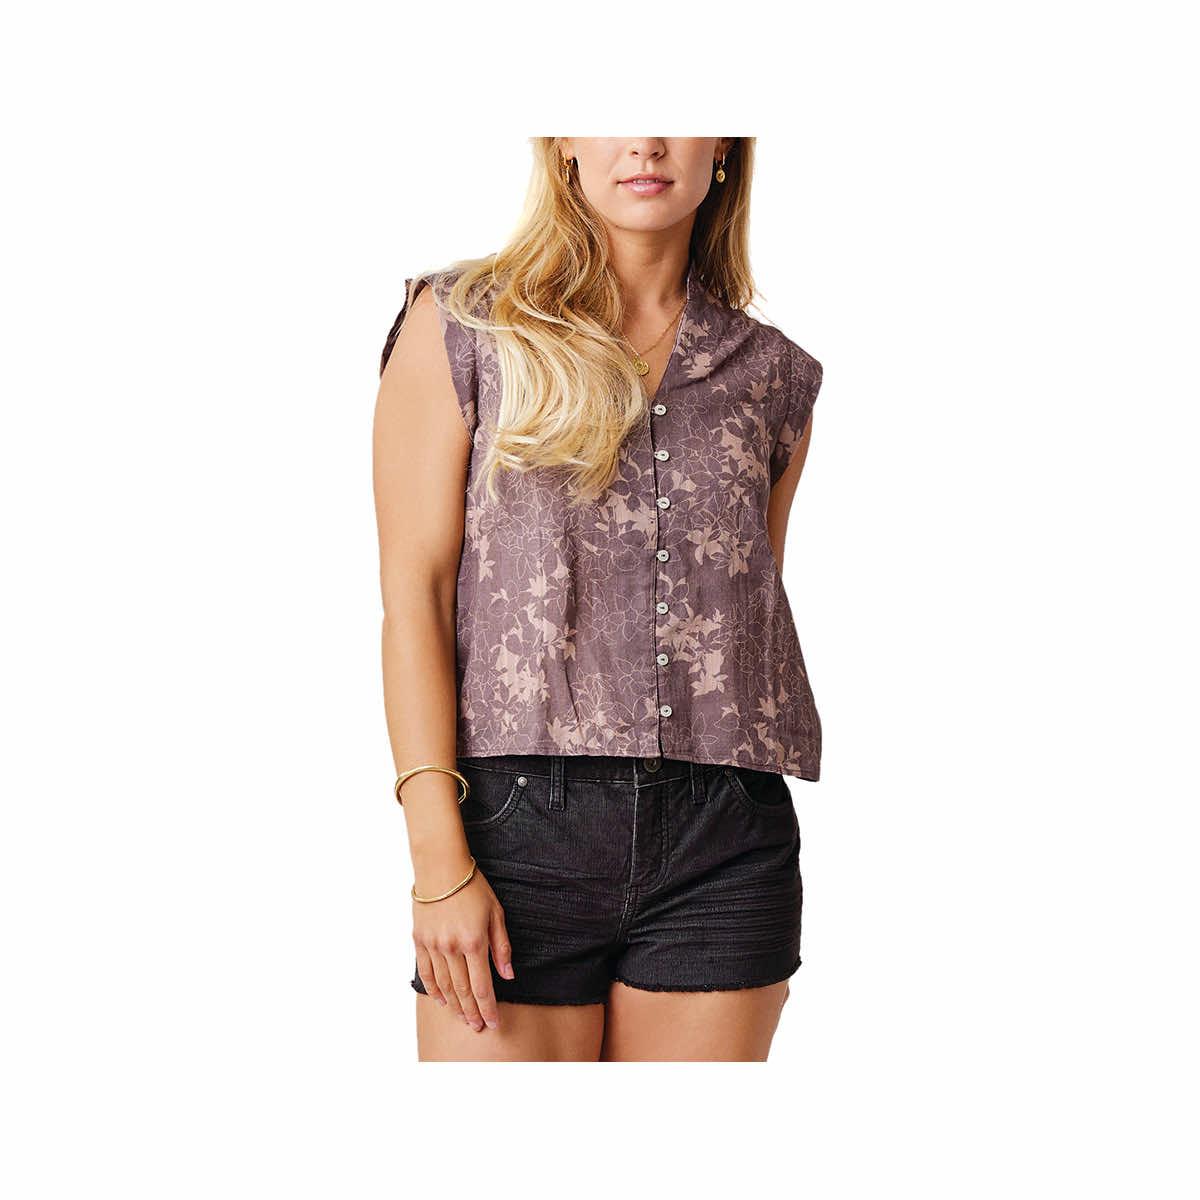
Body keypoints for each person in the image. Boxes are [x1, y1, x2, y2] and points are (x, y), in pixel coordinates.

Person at [373, 137, 823, 1061]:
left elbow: (742, 617)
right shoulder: (465, 326)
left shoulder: (774, 374)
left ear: (724, 148)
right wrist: (436, 860)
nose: (646, 140)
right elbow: (415, 590)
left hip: (725, 836)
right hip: (514, 826)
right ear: (564, 144)